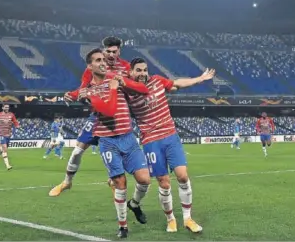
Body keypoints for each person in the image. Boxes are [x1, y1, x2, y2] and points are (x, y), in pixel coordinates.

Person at [127, 57, 215, 234]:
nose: (143, 73)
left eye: (145, 70)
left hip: (170, 135)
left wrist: (199, 79)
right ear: (131, 72)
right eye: (139, 70)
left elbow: (177, 84)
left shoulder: (157, 81)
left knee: (182, 176)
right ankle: (170, 219)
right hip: (151, 141)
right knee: (164, 182)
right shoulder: (127, 92)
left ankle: (188, 218)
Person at [78, 48, 152, 238]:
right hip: (108, 141)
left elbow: (144, 89)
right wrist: (112, 87)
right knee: (120, 183)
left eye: (103, 59)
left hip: (128, 137)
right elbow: (109, 110)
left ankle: (134, 204)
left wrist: (122, 81)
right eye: (97, 60)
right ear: (89, 66)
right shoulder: (87, 92)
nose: (102, 62)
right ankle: (123, 226)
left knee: (145, 179)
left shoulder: (117, 78)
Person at [50, 36, 132, 196]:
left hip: (118, 118)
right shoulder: (93, 68)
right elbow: (83, 89)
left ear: (119, 51)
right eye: (107, 51)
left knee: (125, 155)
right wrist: (71, 95)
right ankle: (66, 182)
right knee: (77, 151)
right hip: (98, 117)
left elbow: (133, 88)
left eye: (114, 52)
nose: (110, 55)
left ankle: (113, 180)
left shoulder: (126, 68)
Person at [0, 104, 19, 170]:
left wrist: (17, 125)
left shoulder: (11, 115)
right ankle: (7, 165)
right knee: (5, 149)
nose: (7, 108)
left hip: (8, 134)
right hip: (1, 134)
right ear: (2, 107)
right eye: (6, 107)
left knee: (4, 149)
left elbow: (15, 122)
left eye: (8, 107)